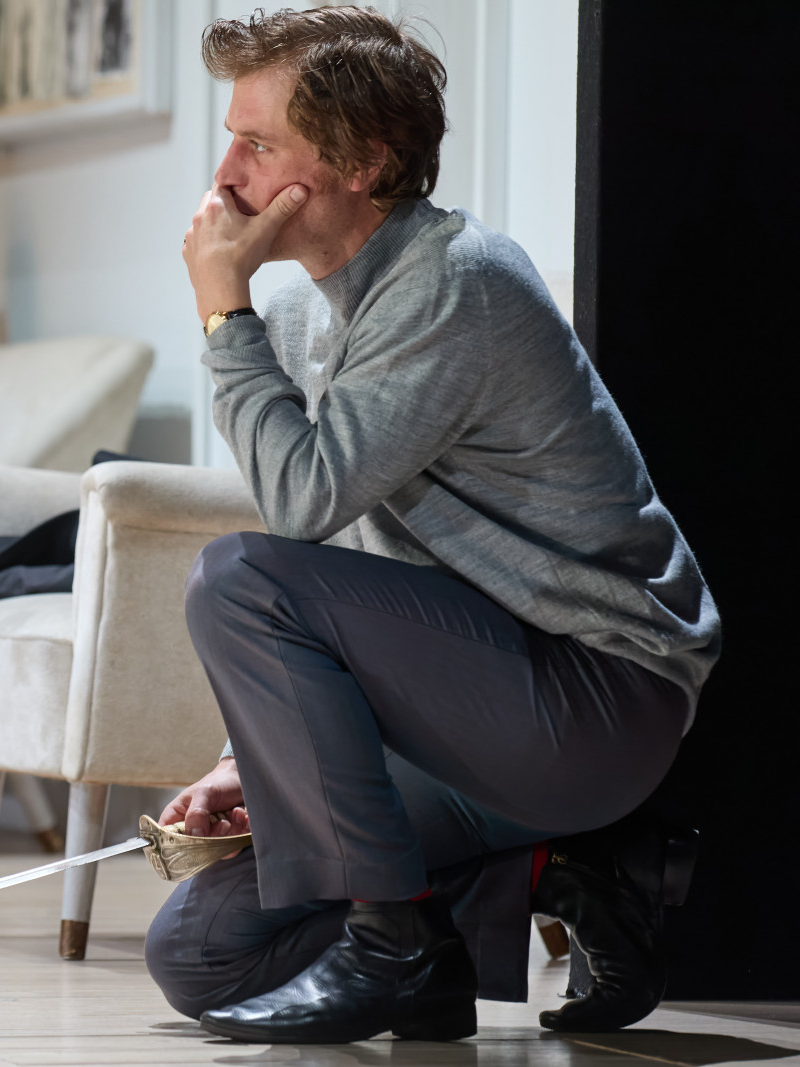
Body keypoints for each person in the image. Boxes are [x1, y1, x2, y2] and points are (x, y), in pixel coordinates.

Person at [146, 7, 720, 1045]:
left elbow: (297, 509)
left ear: (364, 161)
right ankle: (556, 876)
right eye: (232, 139)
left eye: (258, 143)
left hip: (592, 693)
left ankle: (393, 941)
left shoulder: (455, 279)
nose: (225, 175)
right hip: (460, 706)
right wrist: (251, 757)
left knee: (233, 576)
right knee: (197, 949)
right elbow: (325, 561)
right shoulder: (300, 313)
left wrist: (222, 308)